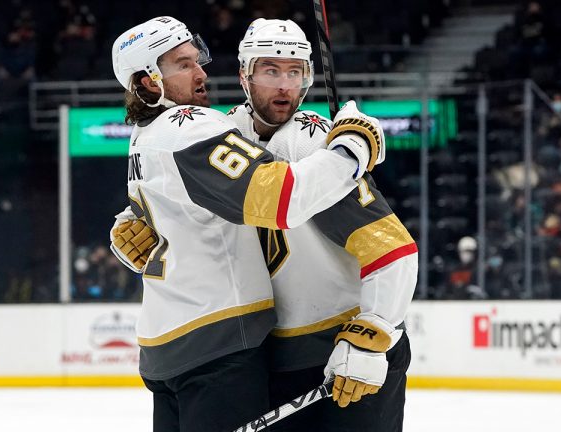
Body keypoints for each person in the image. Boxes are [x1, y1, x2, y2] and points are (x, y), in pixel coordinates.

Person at [108, 16, 386, 432]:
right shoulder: (190, 127)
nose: (201, 73)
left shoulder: (141, 137)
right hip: (217, 346)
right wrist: (353, 148)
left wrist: (126, 224)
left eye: (197, 59)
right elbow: (284, 200)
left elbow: (156, 213)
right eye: (183, 65)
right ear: (148, 82)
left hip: (162, 348)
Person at [225, 19, 418, 431]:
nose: (284, 86)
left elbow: (393, 249)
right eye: (270, 70)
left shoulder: (315, 143)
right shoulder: (224, 135)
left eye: (294, 72)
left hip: (348, 346)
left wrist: (373, 332)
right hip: (275, 355)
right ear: (244, 74)